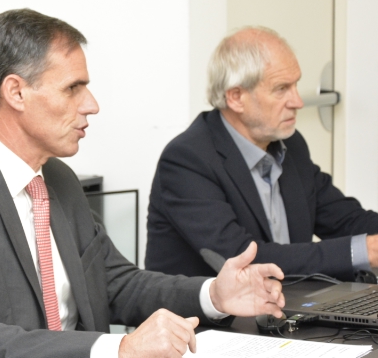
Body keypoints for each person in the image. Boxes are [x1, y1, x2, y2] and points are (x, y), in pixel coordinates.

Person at [0, 9, 285, 358]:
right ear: (16, 93)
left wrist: (214, 295)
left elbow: (117, 284)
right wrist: (118, 350)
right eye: (72, 88)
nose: (92, 105)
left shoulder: (59, 180)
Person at [146, 26, 378, 281]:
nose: (298, 102)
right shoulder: (187, 160)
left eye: (296, 85)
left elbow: (344, 219)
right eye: (281, 89)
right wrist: (364, 251)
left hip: (289, 299)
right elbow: (242, 260)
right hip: (217, 307)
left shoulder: (291, 144)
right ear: (236, 97)